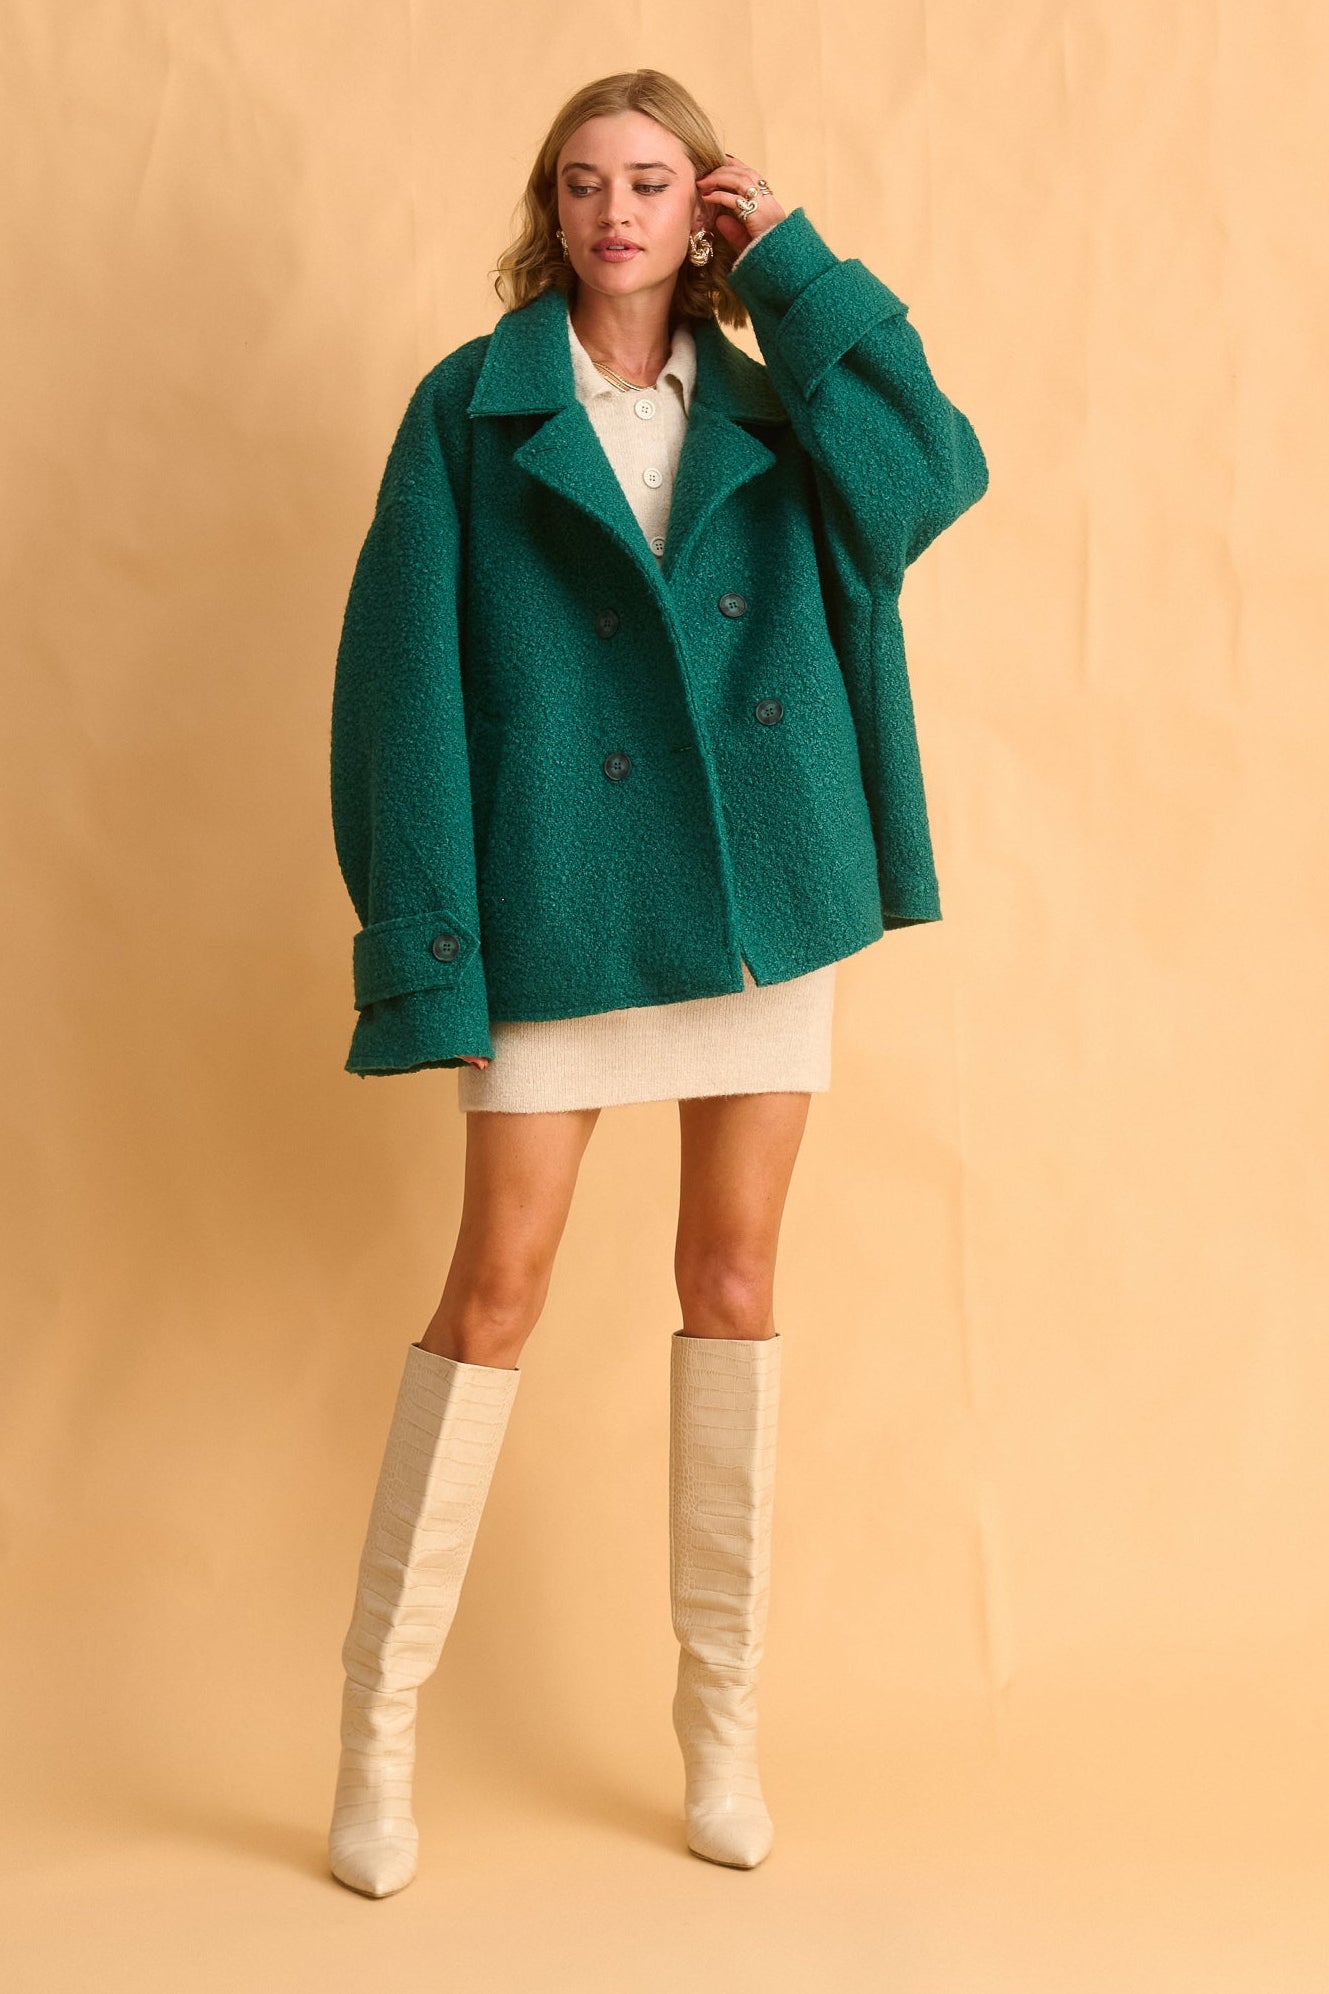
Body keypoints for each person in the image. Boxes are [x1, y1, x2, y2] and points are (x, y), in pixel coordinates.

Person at [326, 67, 988, 1897]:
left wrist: (801, 274)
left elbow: (931, 478)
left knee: (734, 1280)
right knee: (495, 1291)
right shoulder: (468, 409)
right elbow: (400, 689)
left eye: (650, 181)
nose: (612, 212)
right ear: (547, 209)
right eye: (580, 181)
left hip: (762, 894)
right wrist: (432, 949)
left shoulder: (779, 397)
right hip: (558, 897)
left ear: (703, 207)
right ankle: (376, 1734)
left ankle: (720, 1725)